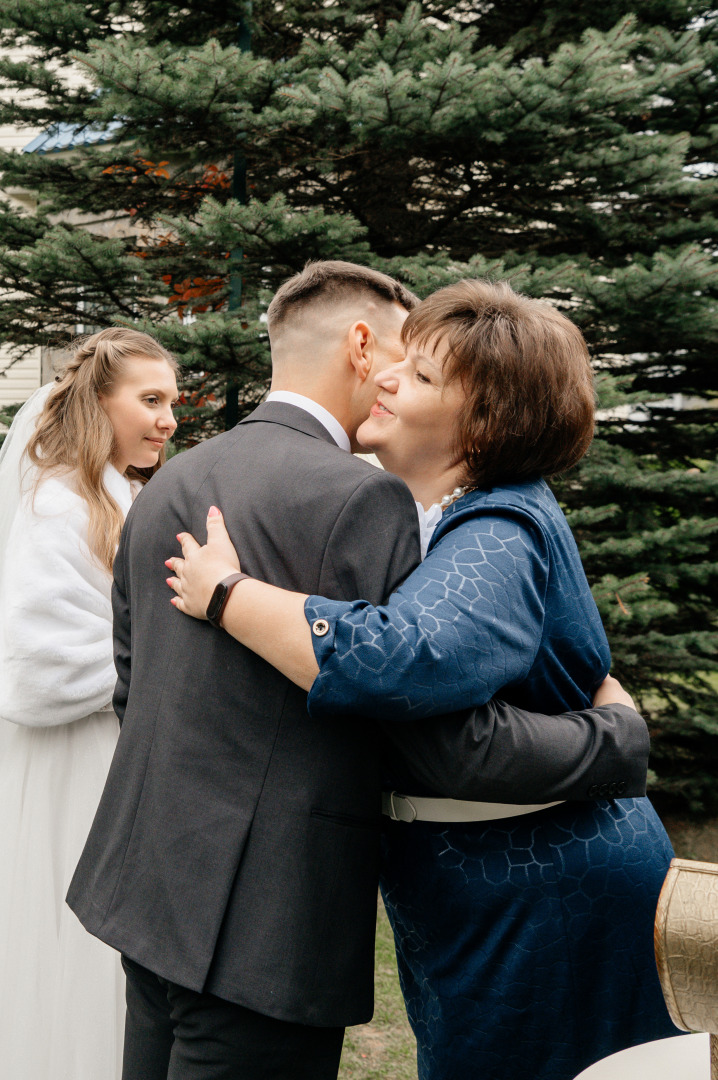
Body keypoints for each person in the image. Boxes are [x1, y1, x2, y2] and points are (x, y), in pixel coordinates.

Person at [70, 262, 650, 1080]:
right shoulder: (365, 498)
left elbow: (138, 682)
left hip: (156, 884)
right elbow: (434, 737)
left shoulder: (181, 478)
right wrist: (613, 741)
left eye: (421, 372)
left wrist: (231, 598)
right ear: (361, 343)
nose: (392, 381)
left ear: (481, 418)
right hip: (269, 915)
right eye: (403, 360)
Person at [0, 328, 178, 1080]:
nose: (169, 418)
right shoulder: (57, 504)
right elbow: (31, 665)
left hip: (113, 753)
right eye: (150, 400)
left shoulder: (120, 494)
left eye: (174, 401)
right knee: (75, 945)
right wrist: (163, 663)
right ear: (97, 405)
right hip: (73, 761)